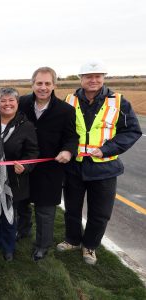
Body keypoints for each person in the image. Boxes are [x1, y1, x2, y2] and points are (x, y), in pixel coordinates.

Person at [57, 60, 142, 265]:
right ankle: (72, 240)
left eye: (97, 76)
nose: (93, 80)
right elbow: (60, 130)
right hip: (74, 166)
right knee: (72, 209)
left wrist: (106, 149)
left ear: (104, 77)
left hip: (104, 169)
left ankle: (90, 246)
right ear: (81, 79)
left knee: (100, 213)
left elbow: (132, 131)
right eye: (88, 76)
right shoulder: (69, 100)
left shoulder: (119, 102)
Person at [18, 67, 78, 261]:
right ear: (32, 84)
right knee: (21, 203)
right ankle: (23, 230)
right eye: (39, 83)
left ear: (54, 85)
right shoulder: (21, 103)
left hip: (50, 169)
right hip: (24, 166)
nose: (43, 87)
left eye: (47, 84)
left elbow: (71, 138)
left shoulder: (66, 110)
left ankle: (42, 245)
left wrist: (68, 151)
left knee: (45, 210)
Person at [0, 88, 39, 261]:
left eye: (11, 101)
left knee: (9, 213)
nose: (7, 104)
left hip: (13, 179)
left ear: (17, 103)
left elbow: (33, 152)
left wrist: (25, 166)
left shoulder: (26, 125)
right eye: (3, 101)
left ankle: (8, 246)